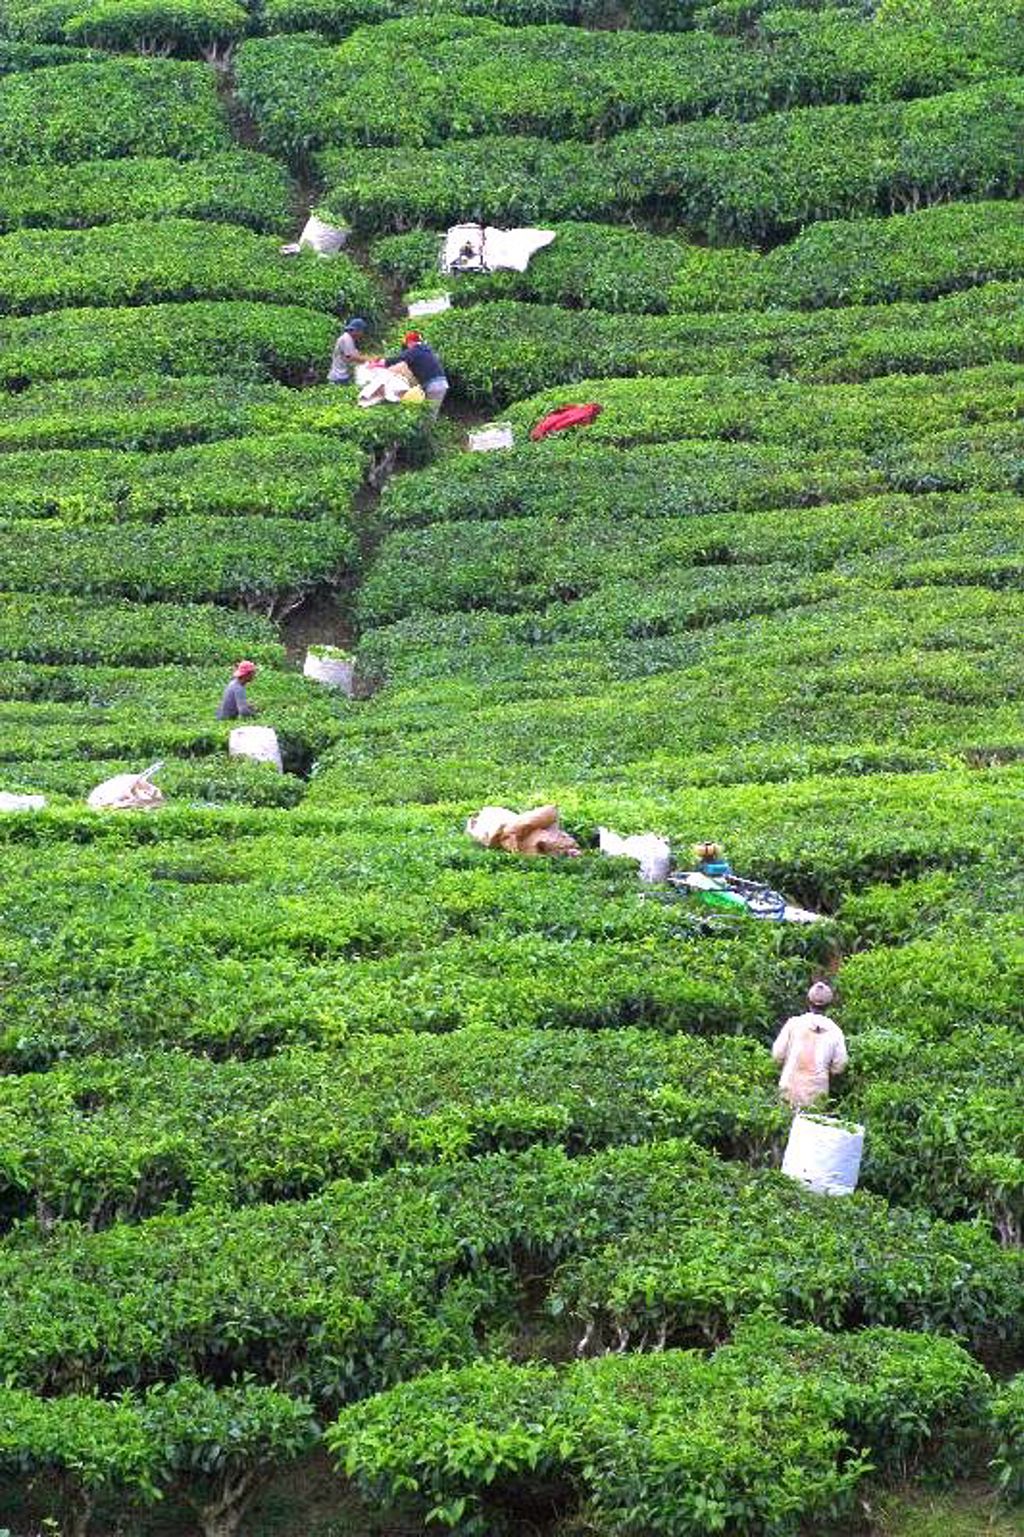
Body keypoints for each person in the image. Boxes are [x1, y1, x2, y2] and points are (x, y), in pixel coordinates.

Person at [771, 981, 848, 1109]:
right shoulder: (835, 1031)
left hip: (789, 1087)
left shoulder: (794, 1024)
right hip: (816, 1094)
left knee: (785, 1124)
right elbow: (840, 1066)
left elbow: (777, 1055)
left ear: (808, 1001)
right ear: (829, 1005)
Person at [385, 330, 449, 416]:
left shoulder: (415, 350)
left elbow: (398, 359)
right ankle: (427, 427)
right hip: (441, 384)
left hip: (434, 385)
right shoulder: (426, 350)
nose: (407, 348)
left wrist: (380, 363)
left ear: (410, 342)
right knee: (429, 412)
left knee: (428, 415)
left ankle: (426, 429)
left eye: (406, 345)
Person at [328, 317, 370, 384]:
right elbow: (351, 357)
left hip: (342, 375)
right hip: (339, 376)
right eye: (361, 331)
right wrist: (368, 360)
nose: (362, 334)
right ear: (356, 330)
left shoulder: (349, 339)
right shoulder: (346, 339)